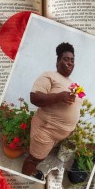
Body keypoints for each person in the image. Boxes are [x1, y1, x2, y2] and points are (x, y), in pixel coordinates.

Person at [22, 42, 82, 180]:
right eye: (66, 59)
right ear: (57, 61)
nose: (70, 63)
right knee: (34, 159)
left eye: (72, 60)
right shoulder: (49, 75)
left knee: (41, 156)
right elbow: (34, 97)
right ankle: (25, 179)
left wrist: (73, 126)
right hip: (46, 130)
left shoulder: (75, 84)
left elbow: (79, 104)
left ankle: (31, 171)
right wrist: (59, 96)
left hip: (59, 134)